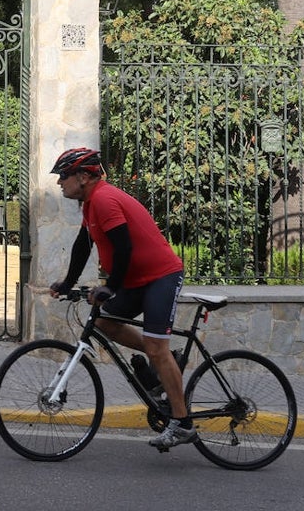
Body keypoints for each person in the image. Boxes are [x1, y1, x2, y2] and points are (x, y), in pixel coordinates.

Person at [46, 147, 197, 450]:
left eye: (64, 176)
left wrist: (110, 288)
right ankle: (164, 365)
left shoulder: (103, 199)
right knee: (104, 322)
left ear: (84, 176)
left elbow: (124, 247)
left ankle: (182, 422)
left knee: (156, 347)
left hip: (160, 277)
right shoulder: (90, 204)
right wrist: (68, 283)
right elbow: (82, 245)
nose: (60, 182)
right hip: (136, 279)